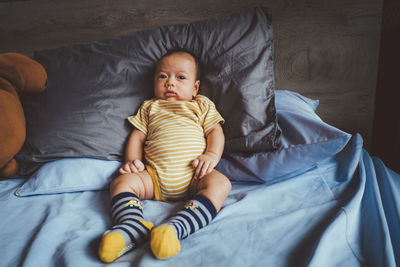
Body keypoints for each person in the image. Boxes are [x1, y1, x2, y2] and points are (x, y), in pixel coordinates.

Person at [98, 49, 232, 262]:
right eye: (163, 76)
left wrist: (212, 155)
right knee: (121, 182)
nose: (170, 83)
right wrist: (133, 161)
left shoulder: (201, 104)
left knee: (222, 184)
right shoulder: (150, 107)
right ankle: (132, 224)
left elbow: (215, 131)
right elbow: (138, 137)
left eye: (180, 77)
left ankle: (175, 228)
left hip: (195, 176)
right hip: (153, 178)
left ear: (195, 87)